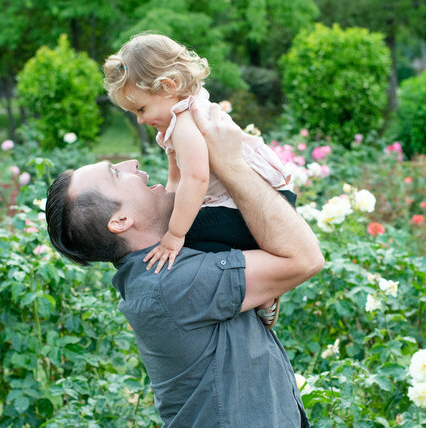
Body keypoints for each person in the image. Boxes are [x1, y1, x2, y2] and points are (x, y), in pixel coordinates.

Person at [44, 102, 324, 428]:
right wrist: (231, 164)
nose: (130, 162)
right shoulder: (172, 283)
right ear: (120, 222)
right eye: (115, 173)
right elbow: (305, 258)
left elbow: (181, 187)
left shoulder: (163, 264)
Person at [102, 33, 294, 275]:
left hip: (257, 202)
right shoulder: (178, 117)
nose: (140, 120)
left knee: (191, 239)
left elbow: (196, 178)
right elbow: (176, 178)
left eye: (141, 109)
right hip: (245, 200)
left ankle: (260, 283)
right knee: (186, 225)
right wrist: (168, 215)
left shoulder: (185, 122)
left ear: (169, 86)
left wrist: (174, 234)